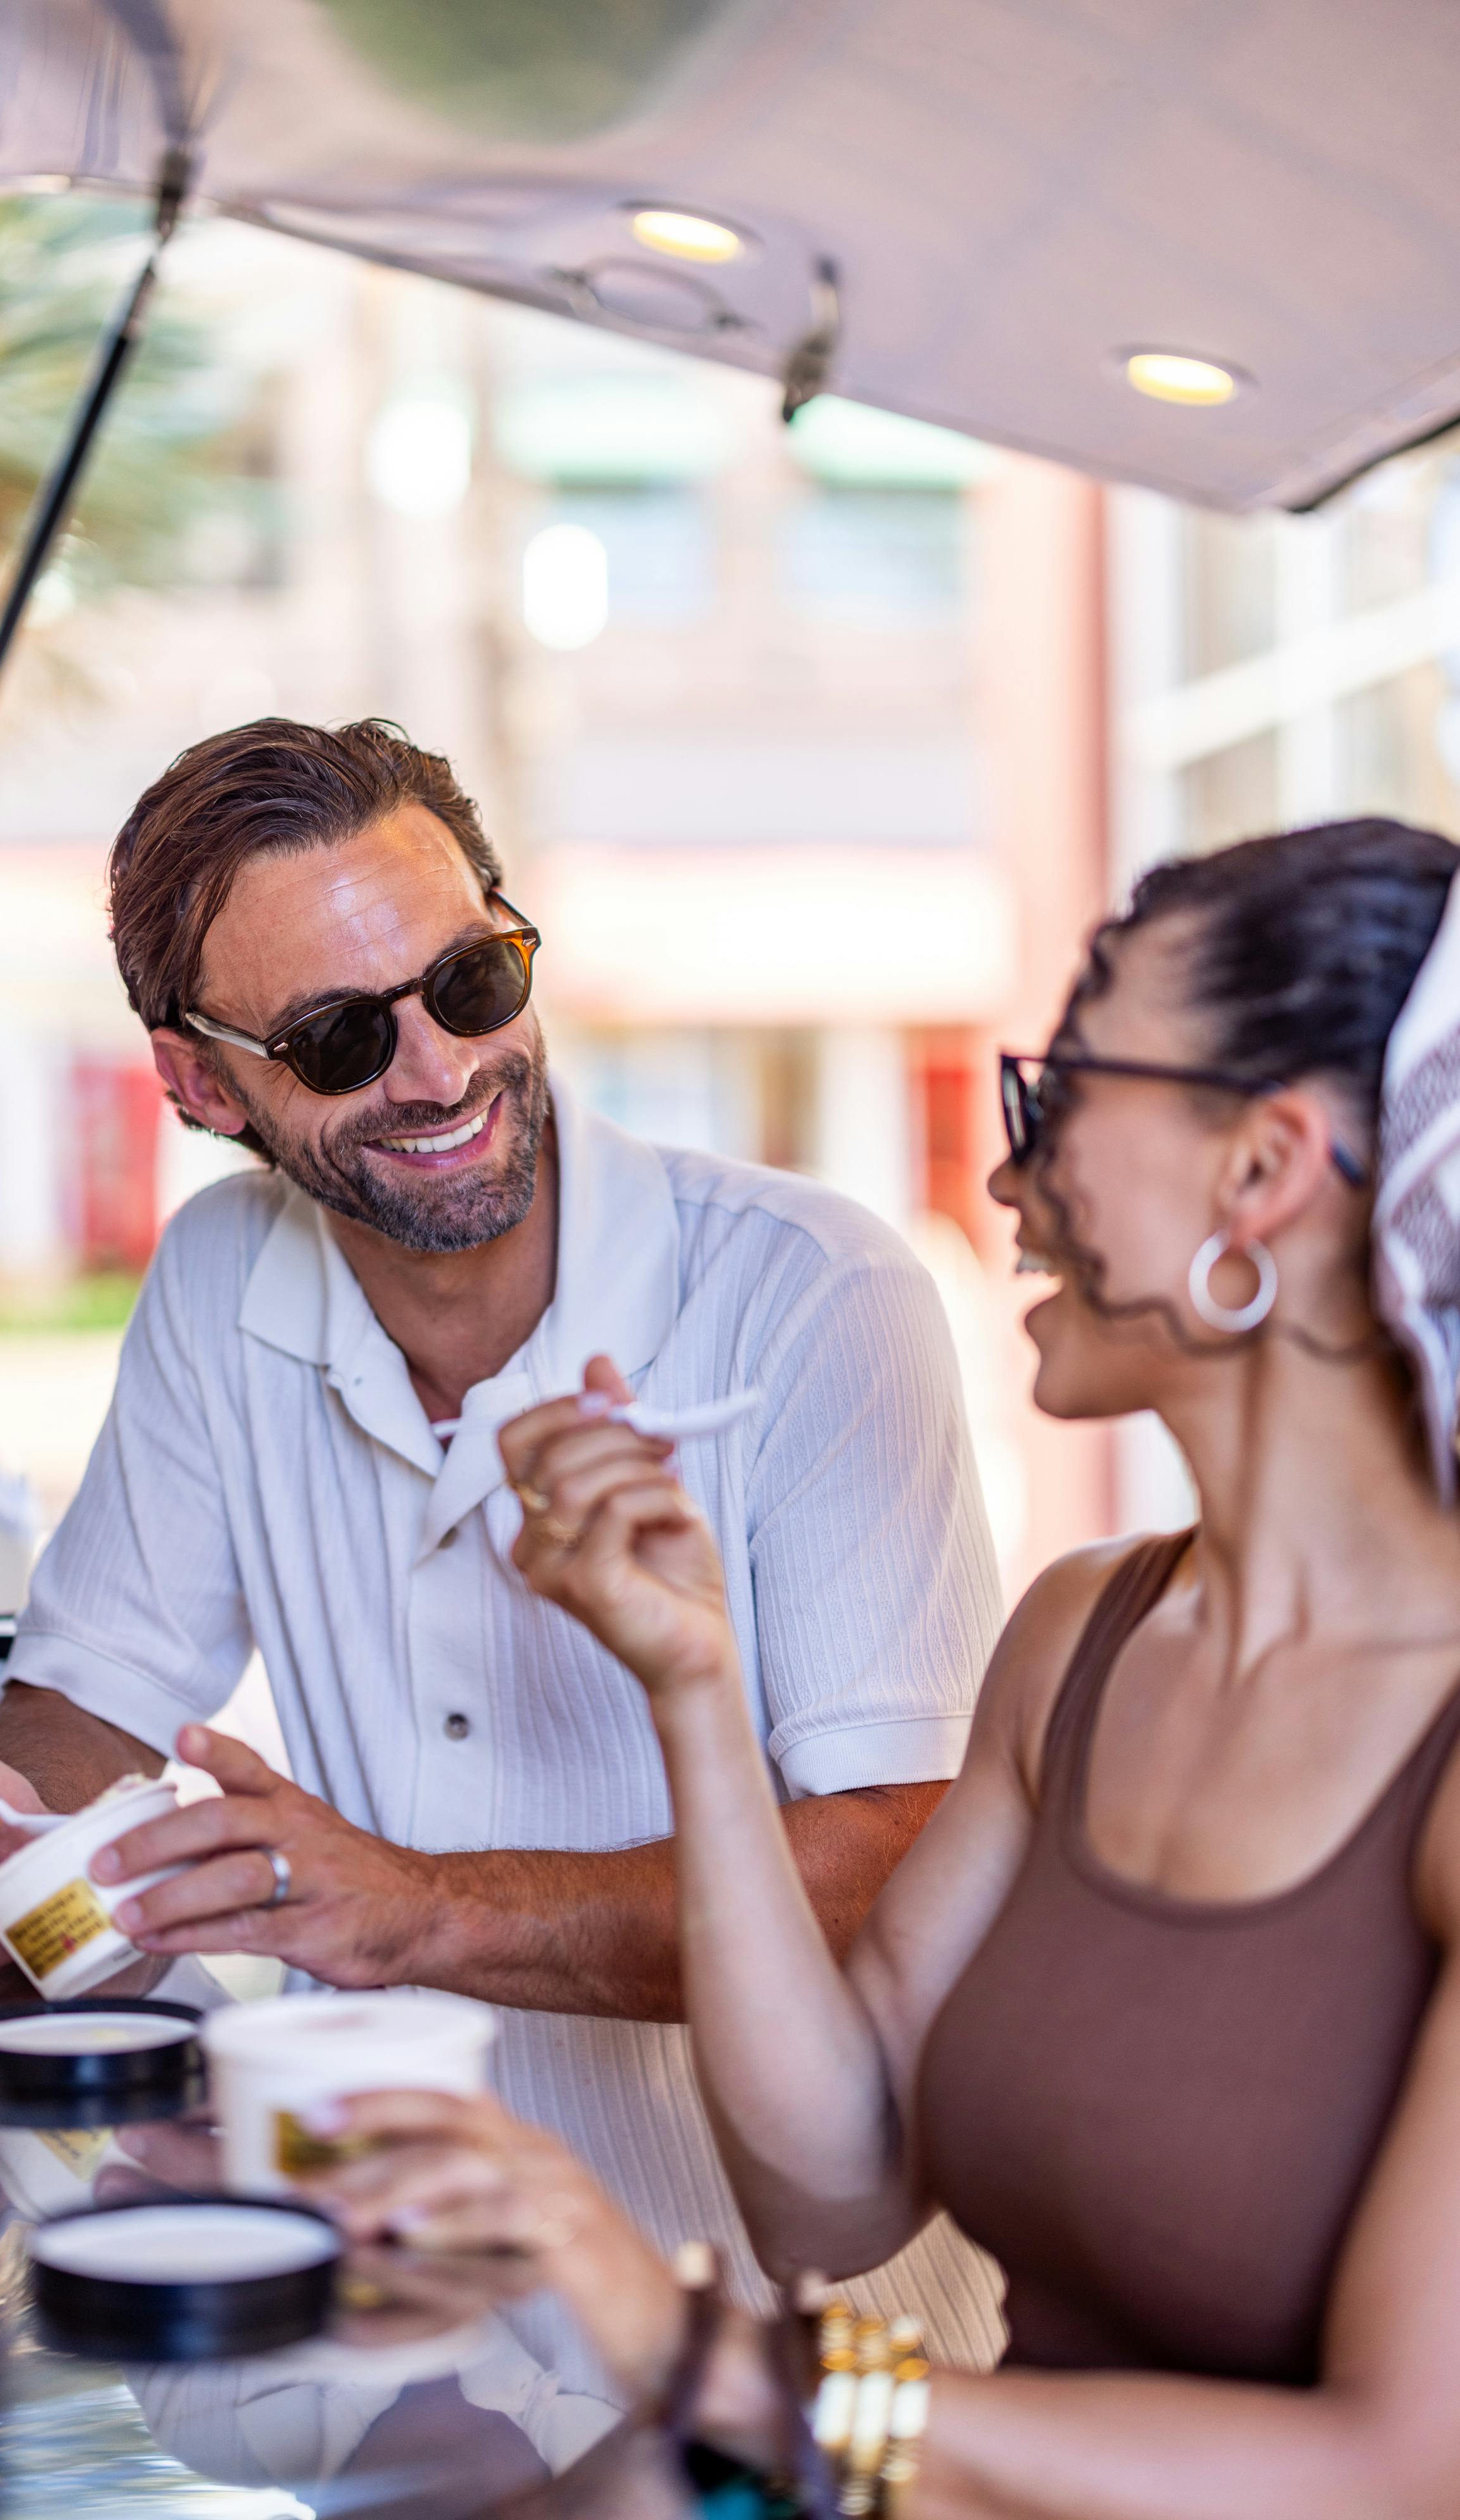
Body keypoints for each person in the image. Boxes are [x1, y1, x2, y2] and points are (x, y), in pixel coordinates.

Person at [0, 716, 1005, 2358]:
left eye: (472, 983)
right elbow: (88, 1706)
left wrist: (404, 1906)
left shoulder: (815, 1295)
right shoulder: (218, 1283)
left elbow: (895, 1875)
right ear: (201, 1084)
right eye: (338, 1037)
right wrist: (5, 1861)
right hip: (406, 2325)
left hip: (794, 2338)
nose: (440, 1069)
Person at [482, 816, 1460, 2514]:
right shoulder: (1081, 1639)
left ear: (1262, 1169)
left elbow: (1387, 2471)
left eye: (1059, 1094)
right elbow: (835, 2192)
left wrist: (715, 2363)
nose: (1008, 1182)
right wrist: (695, 1694)